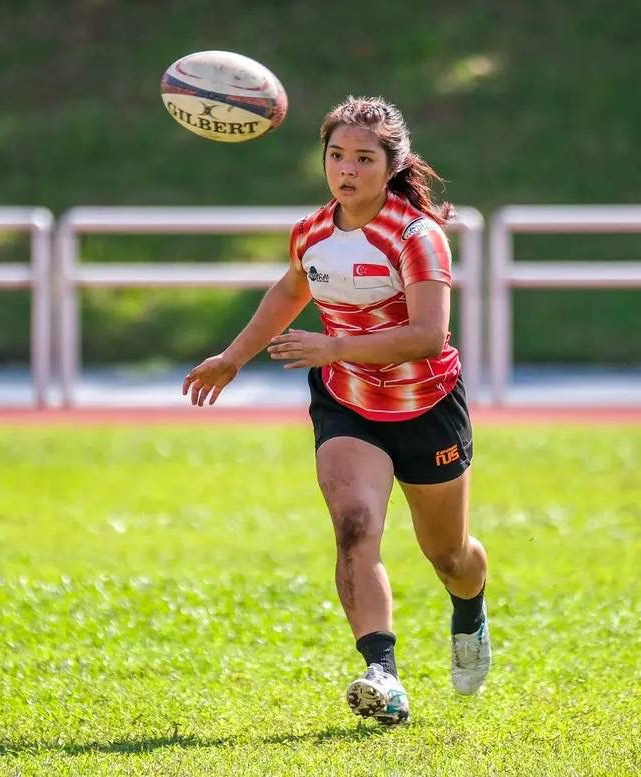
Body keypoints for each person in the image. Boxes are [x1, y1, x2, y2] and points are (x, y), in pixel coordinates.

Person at [182, 96, 490, 726]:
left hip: (425, 405)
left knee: (448, 555)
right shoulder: (314, 232)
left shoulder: (415, 235)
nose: (346, 170)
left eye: (363, 158)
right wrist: (234, 357)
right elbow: (293, 287)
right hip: (347, 402)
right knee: (354, 526)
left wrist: (334, 344)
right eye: (336, 155)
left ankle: (470, 610)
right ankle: (384, 674)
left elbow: (430, 335)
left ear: (391, 165)